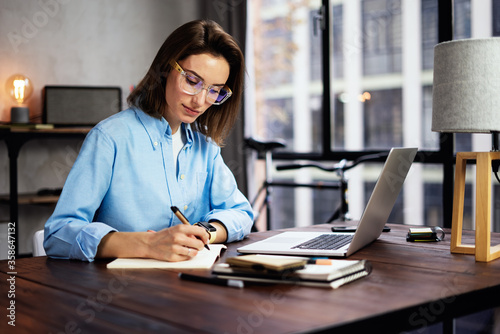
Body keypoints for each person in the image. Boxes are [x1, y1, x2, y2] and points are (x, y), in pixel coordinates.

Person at [44, 19, 253, 262]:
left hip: (191, 287)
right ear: (166, 68)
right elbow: (59, 233)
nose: (200, 101)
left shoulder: (206, 148)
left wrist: (206, 232)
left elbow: (241, 213)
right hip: (121, 290)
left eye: (215, 90)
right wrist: (147, 244)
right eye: (192, 81)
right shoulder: (110, 138)